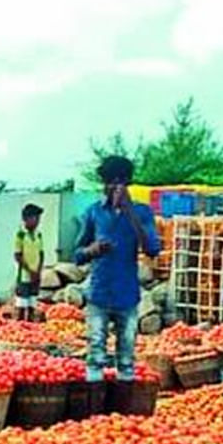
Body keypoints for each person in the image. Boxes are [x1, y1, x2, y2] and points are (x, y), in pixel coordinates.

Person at [75, 156, 161, 382]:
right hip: (99, 292)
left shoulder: (142, 213)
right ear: (104, 184)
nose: (116, 187)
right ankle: (94, 404)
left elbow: (152, 249)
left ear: (128, 183)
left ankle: (124, 408)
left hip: (127, 293)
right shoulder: (94, 212)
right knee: (95, 353)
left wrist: (129, 212)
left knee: (126, 356)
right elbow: (77, 255)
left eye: (121, 181)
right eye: (111, 182)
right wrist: (92, 250)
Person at [14, 204, 45, 322]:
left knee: (33, 302)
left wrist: (38, 270)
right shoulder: (21, 234)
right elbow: (17, 255)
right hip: (25, 274)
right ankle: (20, 326)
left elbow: (41, 253)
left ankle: (30, 326)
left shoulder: (39, 234)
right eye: (34, 218)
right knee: (22, 303)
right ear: (25, 219)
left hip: (36, 274)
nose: (37, 221)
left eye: (38, 218)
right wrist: (30, 270)